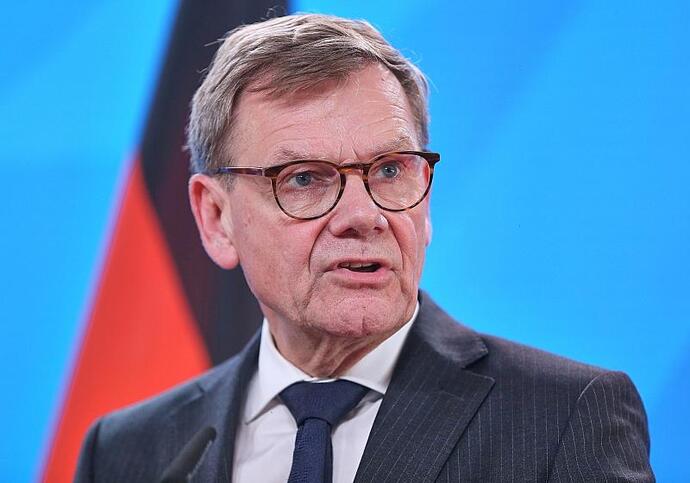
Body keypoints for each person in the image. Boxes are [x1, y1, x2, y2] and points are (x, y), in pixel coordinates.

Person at [75, 13, 654, 482]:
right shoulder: (130, 452)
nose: (363, 216)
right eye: (304, 178)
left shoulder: (563, 418)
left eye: (391, 169)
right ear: (216, 218)